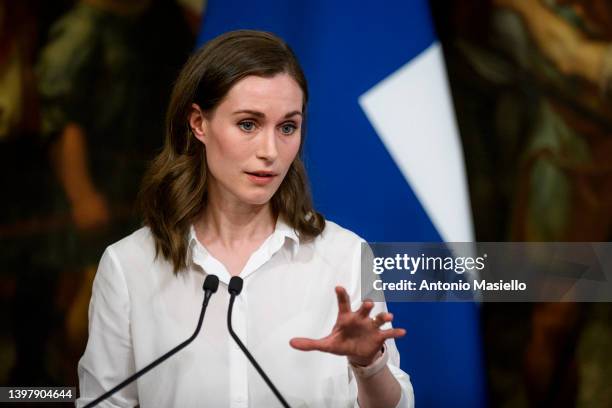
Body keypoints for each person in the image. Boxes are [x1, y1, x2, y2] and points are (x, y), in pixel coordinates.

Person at [76, 30, 414, 407]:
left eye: (288, 127)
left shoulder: (346, 255)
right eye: (248, 124)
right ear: (199, 124)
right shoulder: (128, 266)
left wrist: (368, 363)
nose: (270, 151)